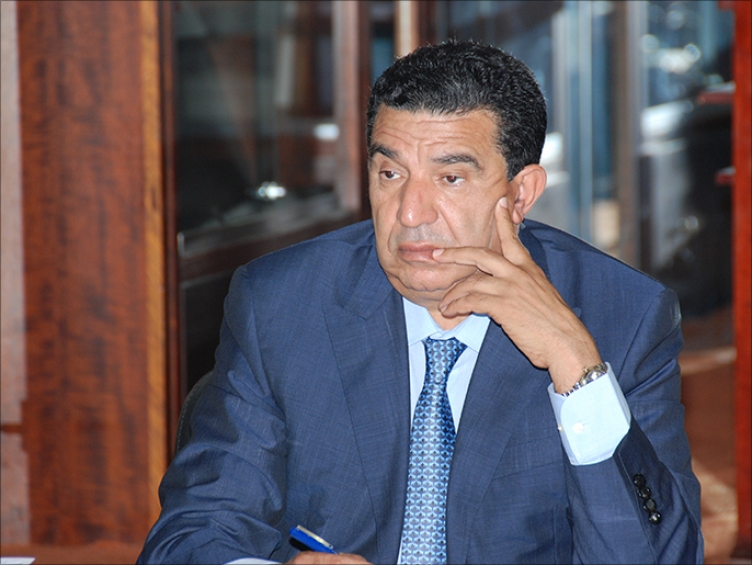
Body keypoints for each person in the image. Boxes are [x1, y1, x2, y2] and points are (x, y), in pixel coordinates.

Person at [138, 40, 702, 564]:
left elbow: (660, 556)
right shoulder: (282, 304)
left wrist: (574, 365)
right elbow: (193, 535)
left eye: (450, 178)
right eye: (390, 173)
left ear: (520, 194)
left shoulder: (623, 315)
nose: (410, 213)